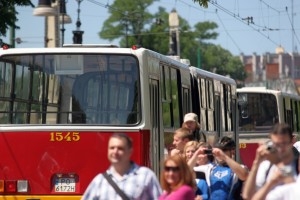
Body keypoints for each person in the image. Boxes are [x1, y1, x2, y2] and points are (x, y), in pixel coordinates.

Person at [81, 133, 162, 200]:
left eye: (120, 148)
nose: (115, 152)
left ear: (130, 151)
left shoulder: (146, 176)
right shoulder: (99, 181)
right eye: (112, 148)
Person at [242, 123, 298, 200]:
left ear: (292, 141)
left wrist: (279, 165)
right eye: (276, 145)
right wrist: (257, 162)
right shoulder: (266, 166)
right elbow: (247, 196)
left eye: (284, 144)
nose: (280, 149)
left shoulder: (297, 165)